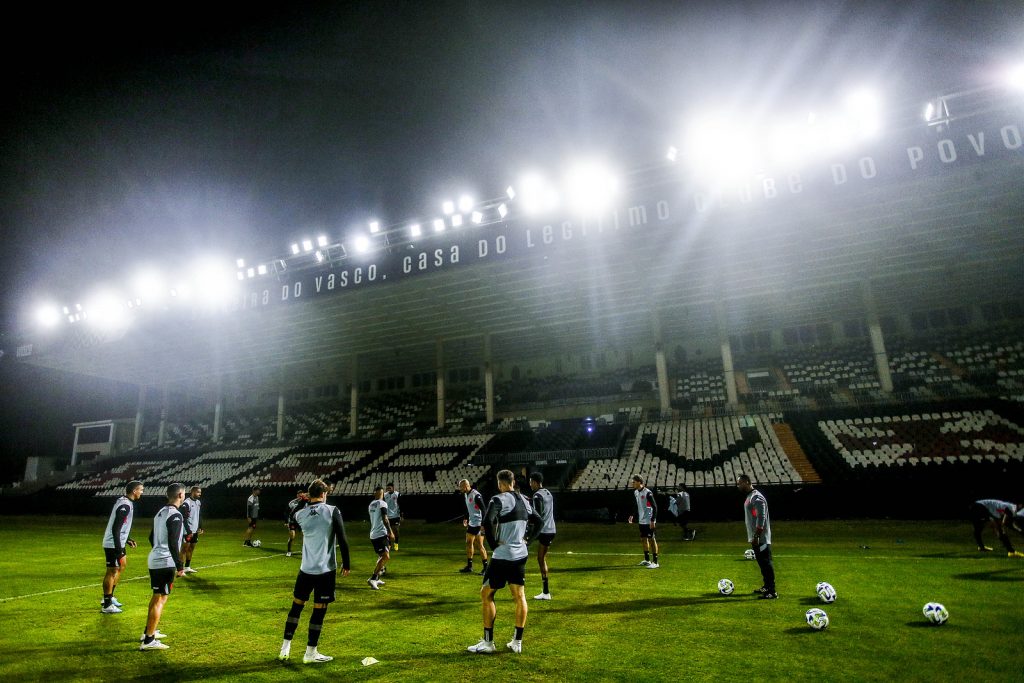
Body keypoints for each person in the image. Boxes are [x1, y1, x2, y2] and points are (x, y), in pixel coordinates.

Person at [279, 479, 351, 664]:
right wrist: (347, 563)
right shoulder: (332, 510)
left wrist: (304, 501)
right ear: (324, 494)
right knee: (319, 610)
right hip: (325, 570)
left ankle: (285, 648)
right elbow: (342, 538)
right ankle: (310, 653)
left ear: (309, 495)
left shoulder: (301, 515)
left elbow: (292, 513)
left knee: (297, 606)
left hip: (305, 570)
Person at [467, 469, 539, 655]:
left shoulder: (498, 499)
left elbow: (487, 520)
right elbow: (538, 521)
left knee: (486, 594)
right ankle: (517, 642)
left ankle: (488, 643)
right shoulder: (525, 499)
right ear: (513, 482)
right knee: (520, 597)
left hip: (503, 556)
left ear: (500, 483)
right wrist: (528, 541)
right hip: (520, 555)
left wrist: (493, 545)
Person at [140, 483, 186, 650]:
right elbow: (174, 543)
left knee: (157, 596)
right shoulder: (175, 515)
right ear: (180, 495)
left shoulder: (160, 512)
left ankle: (148, 631)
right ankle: (149, 640)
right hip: (165, 561)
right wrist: (179, 565)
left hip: (155, 558)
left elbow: (151, 537)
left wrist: (158, 551)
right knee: (160, 599)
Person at [101, 480, 144, 613]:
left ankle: (110, 596)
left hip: (119, 541)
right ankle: (106, 604)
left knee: (121, 566)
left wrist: (128, 539)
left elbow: (121, 526)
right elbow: (115, 529)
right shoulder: (125, 504)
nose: (142, 492)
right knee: (112, 570)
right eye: (141, 490)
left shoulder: (126, 502)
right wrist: (119, 549)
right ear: (134, 491)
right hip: (113, 543)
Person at [737, 474, 777, 599]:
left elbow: (761, 517)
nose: (738, 486)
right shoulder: (750, 496)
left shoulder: (756, 497)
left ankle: (772, 591)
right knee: (761, 563)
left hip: (761, 538)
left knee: (766, 563)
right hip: (756, 538)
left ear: (747, 482)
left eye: (740, 483)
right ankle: (766, 586)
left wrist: (757, 536)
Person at [528, 472, 556, 600]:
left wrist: (529, 533)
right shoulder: (547, 492)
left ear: (534, 482)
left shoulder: (537, 496)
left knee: (540, 558)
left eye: (530, 482)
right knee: (541, 558)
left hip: (544, 530)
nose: (530, 485)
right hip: (551, 528)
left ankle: (546, 592)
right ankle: (545, 591)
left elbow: (537, 516)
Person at [627, 474, 659, 568]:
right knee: (643, 539)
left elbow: (655, 507)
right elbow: (637, 505)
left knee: (652, 539)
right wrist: (632, 515)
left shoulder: (647, 492)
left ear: (639, 482)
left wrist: (653, 520)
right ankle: (647, 560)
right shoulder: (636, 492)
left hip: (649, 520)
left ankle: (656, 562)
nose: (632, 483)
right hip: (641, 521)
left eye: (634, 482)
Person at [367, 485, 396, 589]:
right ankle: (373, 578)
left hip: (376, 534)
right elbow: (385, 519)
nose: (381, 494)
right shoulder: (383, 503)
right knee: (385, 556)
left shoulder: (371, 504)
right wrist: (391, 532)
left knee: (384, 553)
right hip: (379, 534)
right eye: (381, 492)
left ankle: (377, 577)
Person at [458, 479, 489, 574]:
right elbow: (469, 508)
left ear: (465, 486)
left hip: (479, 524)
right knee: (468, 543)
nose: (460, 489)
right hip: (472, 523)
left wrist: (483, 525)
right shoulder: (466, 494)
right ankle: (470, 566)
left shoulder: (476, 495)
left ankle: (486, 568)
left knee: (480, 545)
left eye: (460, 487)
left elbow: (484, 510)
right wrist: (466, 518)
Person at [179, 486, 203, 574]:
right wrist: (188, 531)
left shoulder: (198, 502)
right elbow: (184, 518)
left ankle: (187, 567)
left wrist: (200, 526)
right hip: (187, 531)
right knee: (184, 549)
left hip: (195, 530)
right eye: (198, 492)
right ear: (193, 492)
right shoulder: (187, 503)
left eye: (200, 492)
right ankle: (180, 569)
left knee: (191, 548)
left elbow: (199, 515)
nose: (200, 494)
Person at [286, 488, 309, 557]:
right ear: (297, 495)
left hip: (301, 521)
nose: (300, 496)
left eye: (301, 494)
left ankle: (303, 550)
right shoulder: (292, 502)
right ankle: (289, 551)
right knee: (292, 536)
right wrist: (286, 521)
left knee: (304, 536)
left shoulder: (306, 501)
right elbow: (287, 512)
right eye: (299, 495)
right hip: (293, 520)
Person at [384, 482, 402, 550]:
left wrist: (402, 515)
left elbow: (401, 504)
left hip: (396, 515)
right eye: (387, 488)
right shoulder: (385, 495)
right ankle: (389, 545)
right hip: (388, 516)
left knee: (396, 530)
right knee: (388, 531)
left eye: (390, 488)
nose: (388, 489)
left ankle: (396, 543)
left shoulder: (397, 494)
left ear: (393, 488)